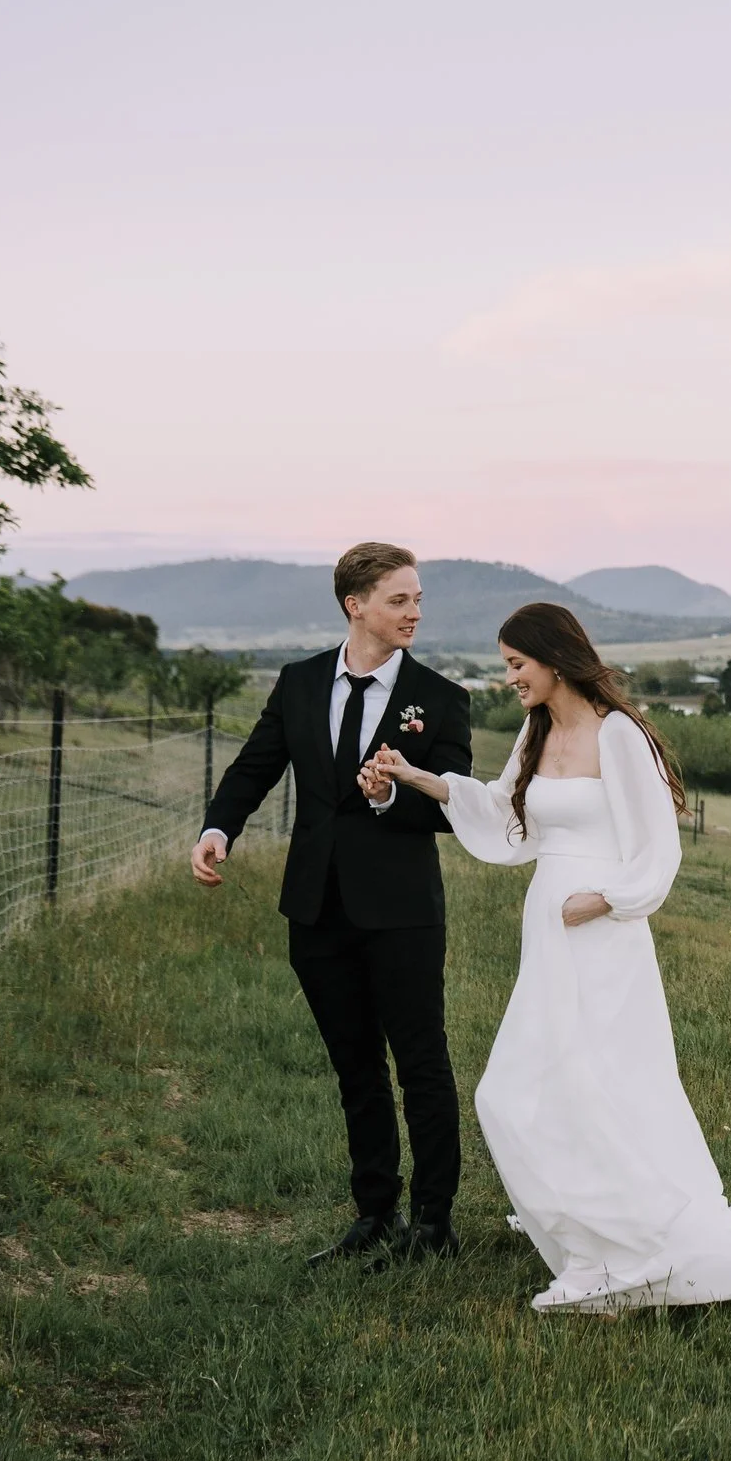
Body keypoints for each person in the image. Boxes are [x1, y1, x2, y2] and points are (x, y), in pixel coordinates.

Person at [364, 603, 731, 1314]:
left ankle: (615, 1254)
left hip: (603, 934)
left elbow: (659, 846)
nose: (510, 678)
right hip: (550, 935)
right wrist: (416, 777)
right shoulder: (537, 729)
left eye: (517, 664)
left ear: (554, 659)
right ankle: (584, 1238)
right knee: (518, 1092)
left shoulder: (620, 734)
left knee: (600, 1087)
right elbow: (503, 813)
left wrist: (608, 898)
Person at [191, 543, 474, 1270]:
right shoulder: (299, 682)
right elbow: (255, 766)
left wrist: (388, 799)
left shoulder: (441, 699)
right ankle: (374, 1214)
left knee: (422, 1064)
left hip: (403, 912)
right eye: (399, 600)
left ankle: (433, 1224)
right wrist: (218, 829)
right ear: (356, 605)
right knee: (355, 1067)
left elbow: (454, 807)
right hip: (315, 907)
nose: (414, 613)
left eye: (417, 599)